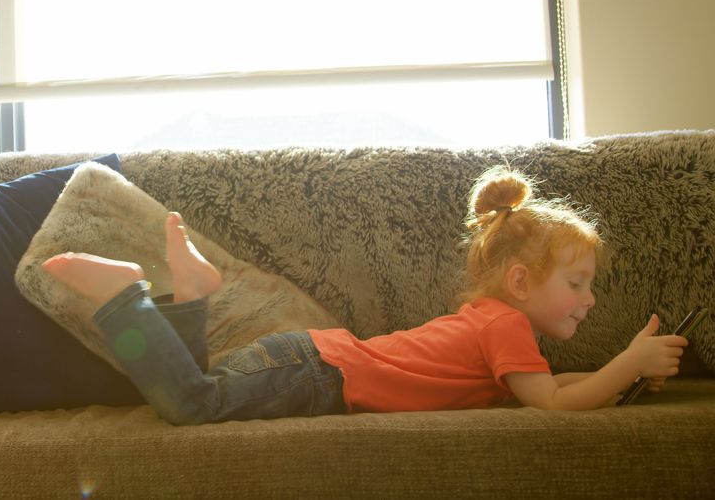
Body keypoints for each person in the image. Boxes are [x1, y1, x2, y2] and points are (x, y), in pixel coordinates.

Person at [42, 167, 689, 425]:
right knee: (192, 406)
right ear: (520, 283)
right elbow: (553, 403)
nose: (591, 299)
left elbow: (545, 385)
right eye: (577, 283)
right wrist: (627, 364)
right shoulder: (506, 329)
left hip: (310, 363)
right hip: (320, 374)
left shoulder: (491, 325)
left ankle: (191, 292)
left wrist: (621, 375)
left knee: (190, 388)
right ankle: (126, 295)